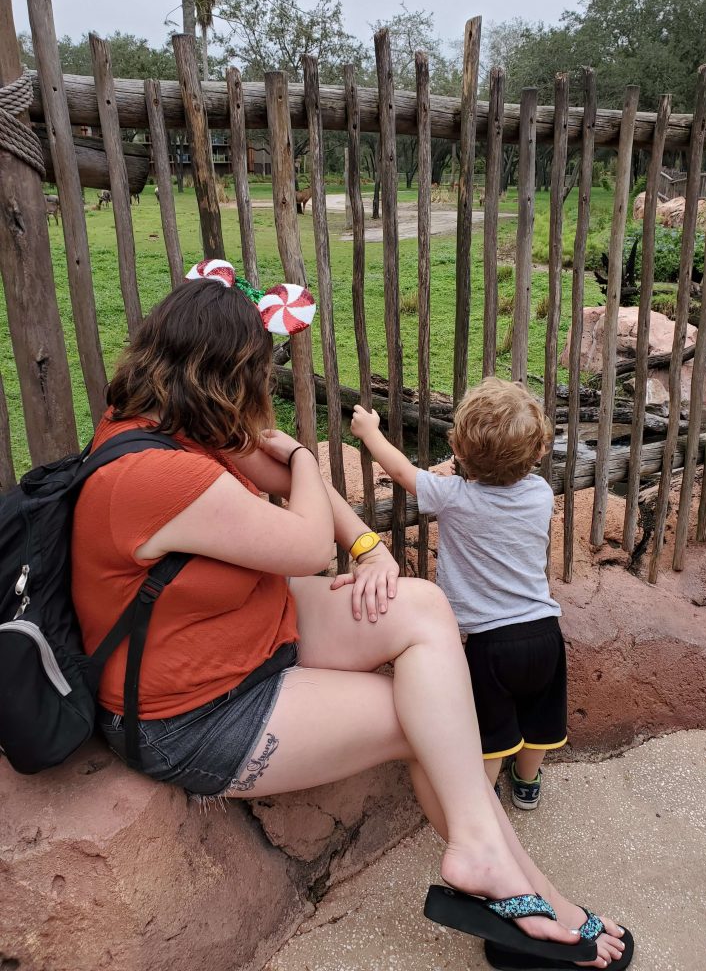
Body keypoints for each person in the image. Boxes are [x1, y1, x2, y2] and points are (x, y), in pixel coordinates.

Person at [71, 271, 630, 970]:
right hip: (194, 714)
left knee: (422, 605)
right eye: (257, 372)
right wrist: (303, 452)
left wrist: (369, 548)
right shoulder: (156, 474)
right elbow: (307, 538)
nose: (262, 389)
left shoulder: (172, 425)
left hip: (245, 635)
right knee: (428, 723)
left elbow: (299, 495)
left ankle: (493, 867)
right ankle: (529, 896)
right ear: (225, 373)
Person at [351, 377, 566, 812]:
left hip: (490, 645)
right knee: (538, 718)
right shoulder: (542, 495)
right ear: (540, 451)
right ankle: (527, 786)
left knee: (490, 732)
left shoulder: (452, 498)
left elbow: (400, 471)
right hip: (546, 634)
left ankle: (481, 805)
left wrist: (370, 431)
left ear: (462, 452)